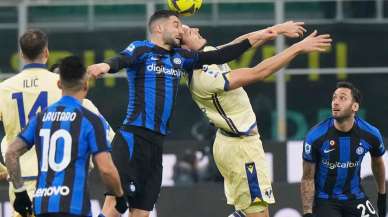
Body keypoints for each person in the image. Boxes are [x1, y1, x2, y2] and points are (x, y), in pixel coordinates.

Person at [87, 9, 273, 217]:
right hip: (133, 139)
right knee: (115, 205)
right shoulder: (142, 49)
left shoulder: (181, 57)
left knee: (142, 211)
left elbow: (220, 55)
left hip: (156, 145)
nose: (180, 29)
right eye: (176, 24)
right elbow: (122, 59)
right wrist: (105, 65)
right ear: (158, 27)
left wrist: (265, 35)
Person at [180, 23, 331, 217]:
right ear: (183, 49)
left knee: (253, 211)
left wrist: (276, 30)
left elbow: (239, 43)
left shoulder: (206, 56)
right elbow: (257, 72)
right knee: (258, 213)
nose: (195, 29)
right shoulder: (203, 77)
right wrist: (298, 47)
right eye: (186, 31)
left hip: (233, 142)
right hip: (240, 149)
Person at [0, 29, 115, 217]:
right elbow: (107, 136)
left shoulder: (4, 89)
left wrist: (3, 169)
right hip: (62, 186)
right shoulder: (65, 85)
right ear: (46, 53)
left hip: (21, 183)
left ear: (21, 54)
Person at [301, 81, 386, 217]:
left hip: (355, 197)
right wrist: (307, 213)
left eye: (342, 98)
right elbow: (307, 177)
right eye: (334, 97)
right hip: (325, 200)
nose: (335, 102)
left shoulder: (371, 134)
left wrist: (382, 196)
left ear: (355, 106)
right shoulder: (315, 136)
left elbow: (378, 163)